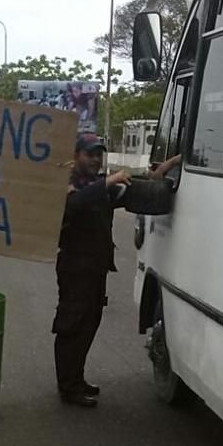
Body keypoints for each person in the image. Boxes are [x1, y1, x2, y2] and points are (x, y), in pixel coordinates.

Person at [53, 133, 178, 408]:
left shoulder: (99, 185)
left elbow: (139, 191)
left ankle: (77, 379)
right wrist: (109, 180)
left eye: (99, 155)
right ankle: (68, 387)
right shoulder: (67, 185)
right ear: (76, 156)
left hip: (95, 267)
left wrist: (170, 165)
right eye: (90, 154)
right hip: (75, 267)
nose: (96, 160)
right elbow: (75, 205)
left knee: (89, 324)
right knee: (72, 325)